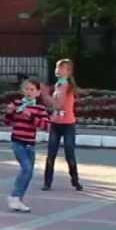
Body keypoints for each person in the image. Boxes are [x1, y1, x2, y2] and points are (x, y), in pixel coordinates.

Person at [4, 78, 52, 213]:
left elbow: (47, 126)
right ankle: (14, 196)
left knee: (29, 172)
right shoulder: (17, 104)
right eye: (26, 89)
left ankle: (18, 199)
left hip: (30, 144)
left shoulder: (39, 108)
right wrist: (9, 112)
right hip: (17, 142)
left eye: (32, 90)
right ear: (22, 91)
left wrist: (31, 117)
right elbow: (8, 122)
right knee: (26, 168)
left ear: (37, 93)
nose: (29, 92)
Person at [42, 58, 82, 191]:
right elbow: (52, 105)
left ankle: (75, 180)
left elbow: (57, 104)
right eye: (56, 67)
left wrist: (44, 94)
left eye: (61, 68)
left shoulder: (67, 86)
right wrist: (47, 96)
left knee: (69, 152)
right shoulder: (58, 85)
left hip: (68, 124)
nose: (57, 70)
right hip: (55, 123)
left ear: (68, 71)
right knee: (51, 153)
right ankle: (47, 182)